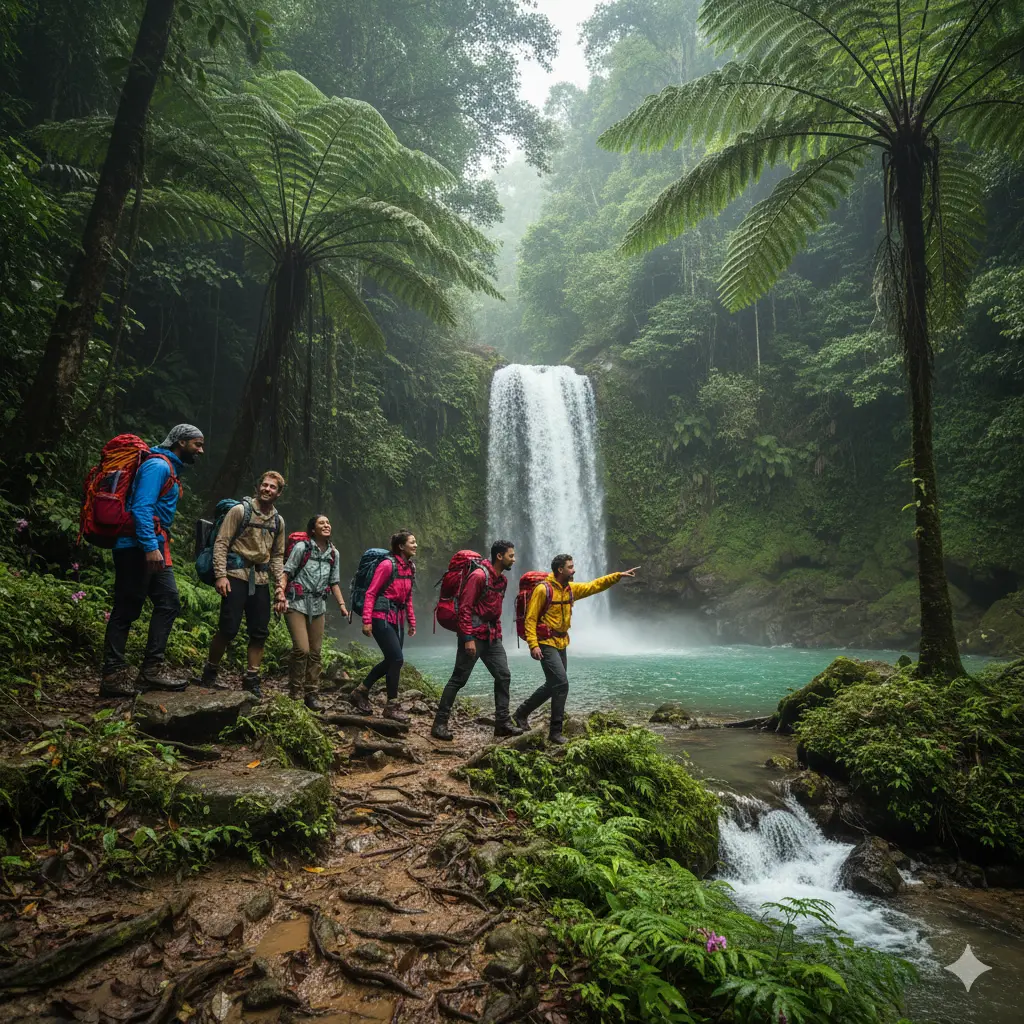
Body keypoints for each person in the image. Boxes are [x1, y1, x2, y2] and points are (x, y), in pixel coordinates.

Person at [100, 424, 206, 697]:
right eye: (197, 444)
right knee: (126, 609)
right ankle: (112, 676)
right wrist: (149, 547)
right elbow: (141, 508)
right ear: (181, 442)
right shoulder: (157, 467)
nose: (201, 450)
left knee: (169, 602)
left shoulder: (169, 468)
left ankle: (152, 669)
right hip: (137, 547)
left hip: (155, 547)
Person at [514, 555, 638, 744]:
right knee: (562, 684)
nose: (574, 570)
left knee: (553, 685)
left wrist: (617, 576)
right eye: (570, 567)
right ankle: (555, 732)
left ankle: (521, 713)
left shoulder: (570, 589)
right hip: (546, 642)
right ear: (560, 570)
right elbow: (530, 619)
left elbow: (593, 586)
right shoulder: (542, 590)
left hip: (562, 642)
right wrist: (534, 645)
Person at [194, 471, 286, 698]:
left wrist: (280, 588)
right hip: (235, 575)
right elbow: (221, 543)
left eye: (272, 487)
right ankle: (210, 672)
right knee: (228, 627)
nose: (267, 489)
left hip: (261, 580)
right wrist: (221, 575)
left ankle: (252, 679)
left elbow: (277, 555)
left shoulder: (278, 521)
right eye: (264, 485)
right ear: (258, 487)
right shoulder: (239, 511)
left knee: (259, 632)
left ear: (279, 492)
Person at [432, 540, 524, 741]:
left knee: (503, 675)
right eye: (511, 555)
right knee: (459, 679)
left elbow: (495, 611)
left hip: (492, 637)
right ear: (499, 556)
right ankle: (439, 724)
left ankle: (502, 723)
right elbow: (465, 608)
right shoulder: (478, 576)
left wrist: (498, 635)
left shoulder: (502, 581)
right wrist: (467, 638)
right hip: (473, 634)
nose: (514, 559)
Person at [276, 514, 348, 712]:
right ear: (313, 530)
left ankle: (311, 694)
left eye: (327, 522)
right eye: (321, 523)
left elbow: (334, 581)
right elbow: (287, 571)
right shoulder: (302, 548)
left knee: (316, 653)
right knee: (302, 649)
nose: (326, 525)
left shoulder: (334, 554)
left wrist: (342, 605)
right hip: (296, 602)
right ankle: (294, 692)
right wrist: (280, 593)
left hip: (318, 605)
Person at [347, 530, 417, 722]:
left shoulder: (410, 568)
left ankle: (360, 692)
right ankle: (391, 706)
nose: (416, 545)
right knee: (396, 659)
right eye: (412, 542)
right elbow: (371, 593)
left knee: (393, 660)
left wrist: (412, 621)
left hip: (398, 617)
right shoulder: (387, 565)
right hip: (381, 616)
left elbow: (408, 598)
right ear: (401, 546)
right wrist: (367, 621)